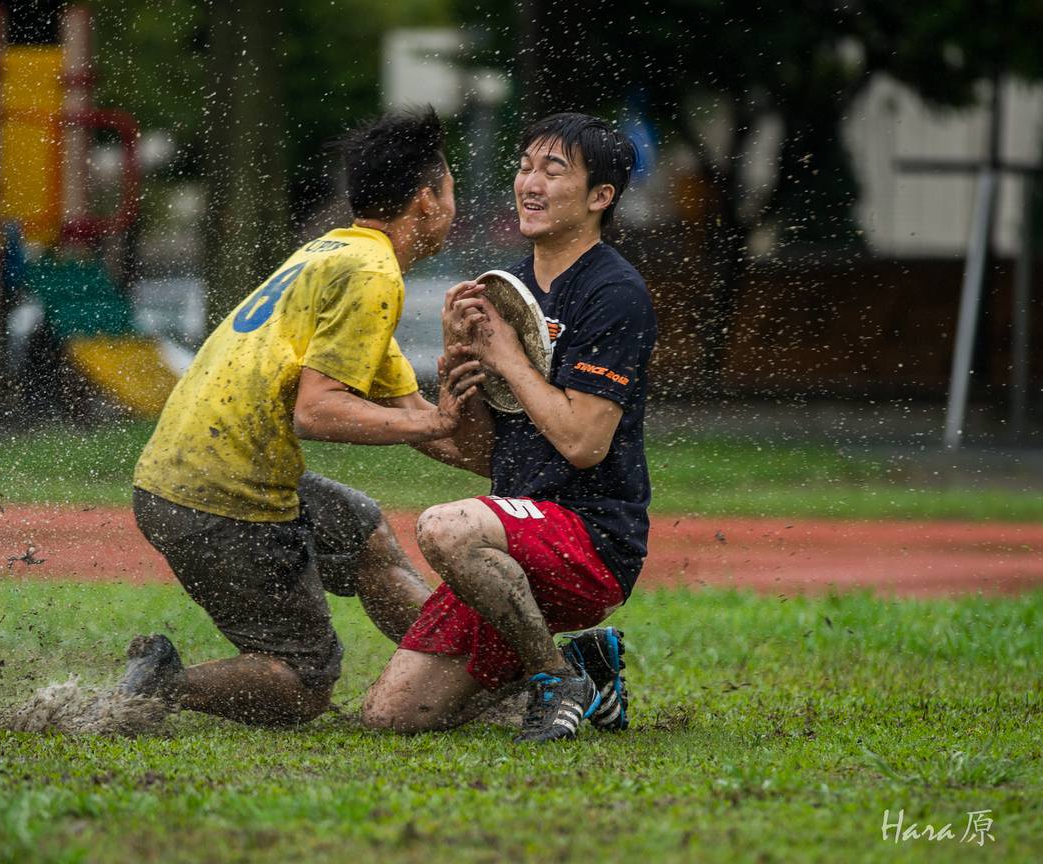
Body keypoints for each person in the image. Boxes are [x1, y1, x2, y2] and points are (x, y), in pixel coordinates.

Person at [120, 109, 485, 727]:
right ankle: (164, 684)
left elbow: (421, 417)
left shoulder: (335, 253)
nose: (453, 203)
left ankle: (467, 673)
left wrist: (533, 456)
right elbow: (316, 411)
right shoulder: (373, 273)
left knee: (364, 533)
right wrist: (437, 423)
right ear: (425, 202)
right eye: (450, 189)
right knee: (304, 683)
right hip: (217, 495)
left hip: (188, 476)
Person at [361, 112, 656, 743]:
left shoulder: (615, 291)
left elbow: (582, 444)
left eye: (554, 171)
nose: (531, 182)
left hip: (592, 538)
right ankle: (586, 664)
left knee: (444, 525)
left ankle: (554, 679)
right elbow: (479, 455)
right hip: (508, 534)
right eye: (524, 166)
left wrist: (507, 359)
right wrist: (456, 371)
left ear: (601, 197)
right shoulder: (507, 289)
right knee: (391, 715)